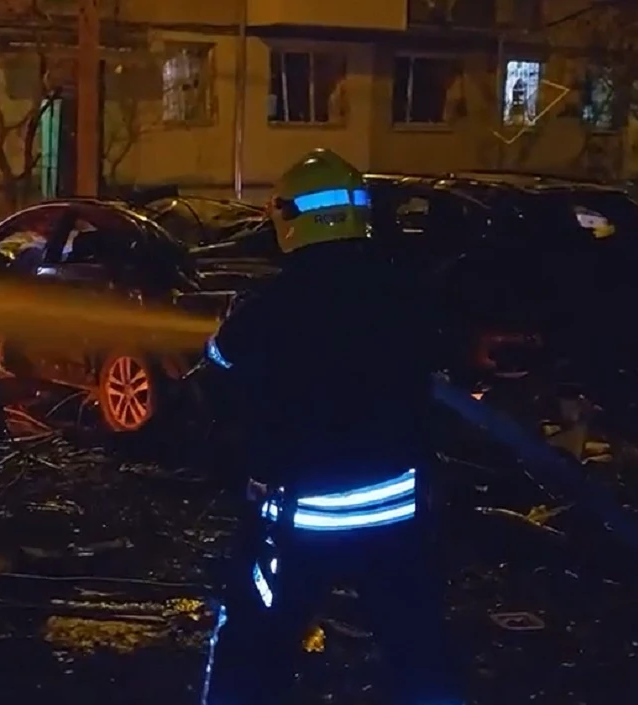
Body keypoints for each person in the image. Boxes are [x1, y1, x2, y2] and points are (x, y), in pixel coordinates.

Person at [198, 149, 462, 705]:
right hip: (396, 515)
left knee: (250, 646)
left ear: (291, 217)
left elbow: (219, 368)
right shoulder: (406, 293)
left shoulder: (274, 306)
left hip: (300, 519)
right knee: (420, 650)